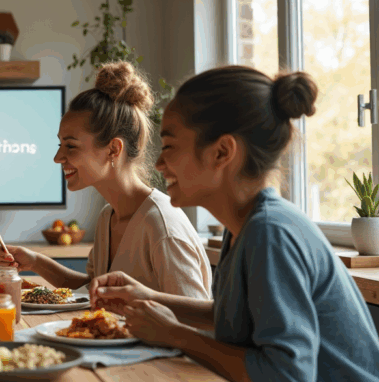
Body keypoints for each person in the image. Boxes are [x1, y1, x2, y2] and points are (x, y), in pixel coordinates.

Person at [90, 66, 379, 381]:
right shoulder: (244, 226)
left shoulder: (270, 234)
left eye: (170, 146)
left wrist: (175, 334)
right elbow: (233, 318)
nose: (159, 163)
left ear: (222, 152)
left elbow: (287, 374)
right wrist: (146, 297)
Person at [0, 61, 212, 299]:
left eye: (70, 146)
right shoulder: (107, 217)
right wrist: (36, 262)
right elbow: (94, 288)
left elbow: (195, 318)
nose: (58, 157)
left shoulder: (162, 226)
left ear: (113, 150)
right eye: (60, 144)